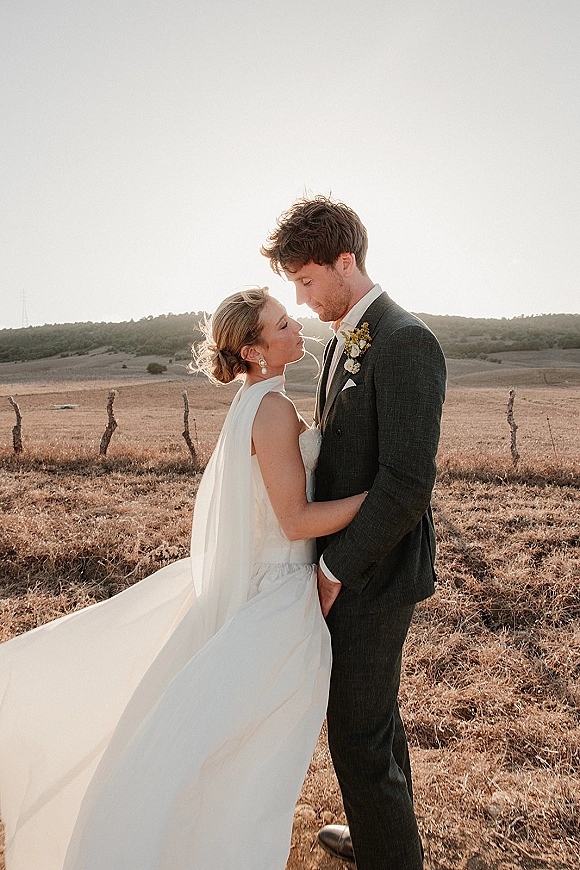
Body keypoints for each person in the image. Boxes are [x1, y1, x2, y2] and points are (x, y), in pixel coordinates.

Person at [0, 287, 366, 870]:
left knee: (227, 740)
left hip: (267, 581)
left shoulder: (260, 399)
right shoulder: (270, 410)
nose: (296, 326)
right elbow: (295, 521)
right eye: (280, 324)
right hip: (278, 591)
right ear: (252, 350)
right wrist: (379, 500)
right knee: (247, 750)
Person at [261, 196, 447, 870]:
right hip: (349, 562)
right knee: (376, 722)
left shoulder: (405, 342)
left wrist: (333, 570)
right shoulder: (347, 335)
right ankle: (382, 838)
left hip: (375, 571)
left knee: (357, 735)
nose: (305, 302)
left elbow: (405, 483)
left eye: (308, 282)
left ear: (347, 261)